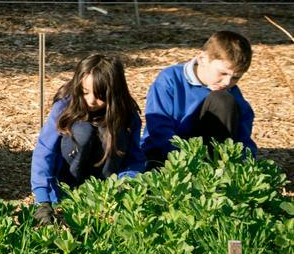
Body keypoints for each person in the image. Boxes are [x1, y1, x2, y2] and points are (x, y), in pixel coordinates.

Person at [30, 53, 146, 226]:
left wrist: (126, 187)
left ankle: (99, 195)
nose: (91, 101)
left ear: (114, 93)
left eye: (100, 95)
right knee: (83, 132)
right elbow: (44, 151)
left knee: (111, 133)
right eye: (85, 92)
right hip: (66, 182)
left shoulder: (127, 115)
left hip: (106, 189)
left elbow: (134, 159)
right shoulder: (65, 106)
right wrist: (43, 199)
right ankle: (70, 192)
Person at [142, 30, 256, 168]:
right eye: (223, 73)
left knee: (223, 101)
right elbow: (158, 126)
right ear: (202, 59)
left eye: (236, 77)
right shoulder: (170, 79)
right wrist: (182, 160)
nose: (227, 82)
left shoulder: (230, 93)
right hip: (165, 152)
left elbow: (242, 138)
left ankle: (216, 168)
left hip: (207, 157)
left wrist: (246, 164)